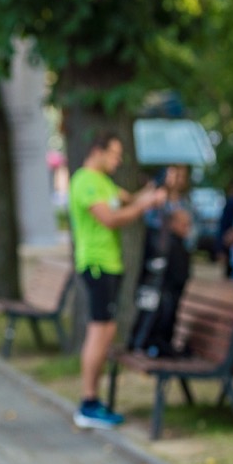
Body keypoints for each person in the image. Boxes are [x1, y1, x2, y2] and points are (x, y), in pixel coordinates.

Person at [69, 132, 166, 429]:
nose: (118, 160)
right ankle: (88, 403)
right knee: (99, 332)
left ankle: (93, 400)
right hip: (97, 265)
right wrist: (145, 206)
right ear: (98, 151)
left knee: (106, 331)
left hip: (110, 265)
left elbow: (130, 199)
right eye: (114, 154)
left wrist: (151, 192)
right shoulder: (86, 181)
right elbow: (110, 218)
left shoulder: (104, 182)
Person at [129, 164, 194, 357]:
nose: (176, 180)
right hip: (159, 258)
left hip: (177, 258)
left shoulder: (185, 202)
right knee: (154, 301)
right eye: (172, 175)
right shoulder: (157, 200)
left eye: (180, 176)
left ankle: (160, 341)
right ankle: (145, 341)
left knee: (170, 300)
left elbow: (191, 232)